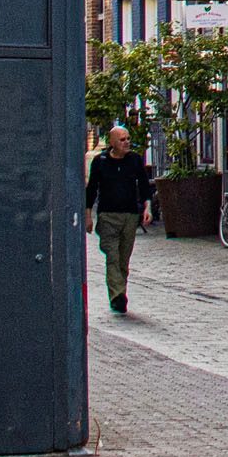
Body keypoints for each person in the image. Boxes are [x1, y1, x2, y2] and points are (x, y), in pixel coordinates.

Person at [83, 124, 158, 315]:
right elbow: (91, 189)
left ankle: (119, 293)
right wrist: (88, 215)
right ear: (112, 142)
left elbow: (144, 185)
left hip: (130, 215)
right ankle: (117, 295)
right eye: (122, 139)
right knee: (112, 256)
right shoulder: (100, 162)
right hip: (108, 216)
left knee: (123, 258)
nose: (127, 142)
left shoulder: (134, 160)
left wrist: (147, 207)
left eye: (128, 139)